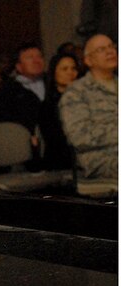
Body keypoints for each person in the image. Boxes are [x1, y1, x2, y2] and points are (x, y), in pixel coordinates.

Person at [60, 33, 118, 181]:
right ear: (88, 60)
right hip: (101, 160)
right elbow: (79, 137)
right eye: (101, 49)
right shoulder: (76, 93)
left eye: (112, 46)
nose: (110, 51)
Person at [38, 52, 82, 170]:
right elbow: (55, 140)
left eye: (73, 68)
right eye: (64, 69)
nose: (70, 72)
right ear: (54, 73)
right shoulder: (47, 106)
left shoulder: (86, 100)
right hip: (61, 161)